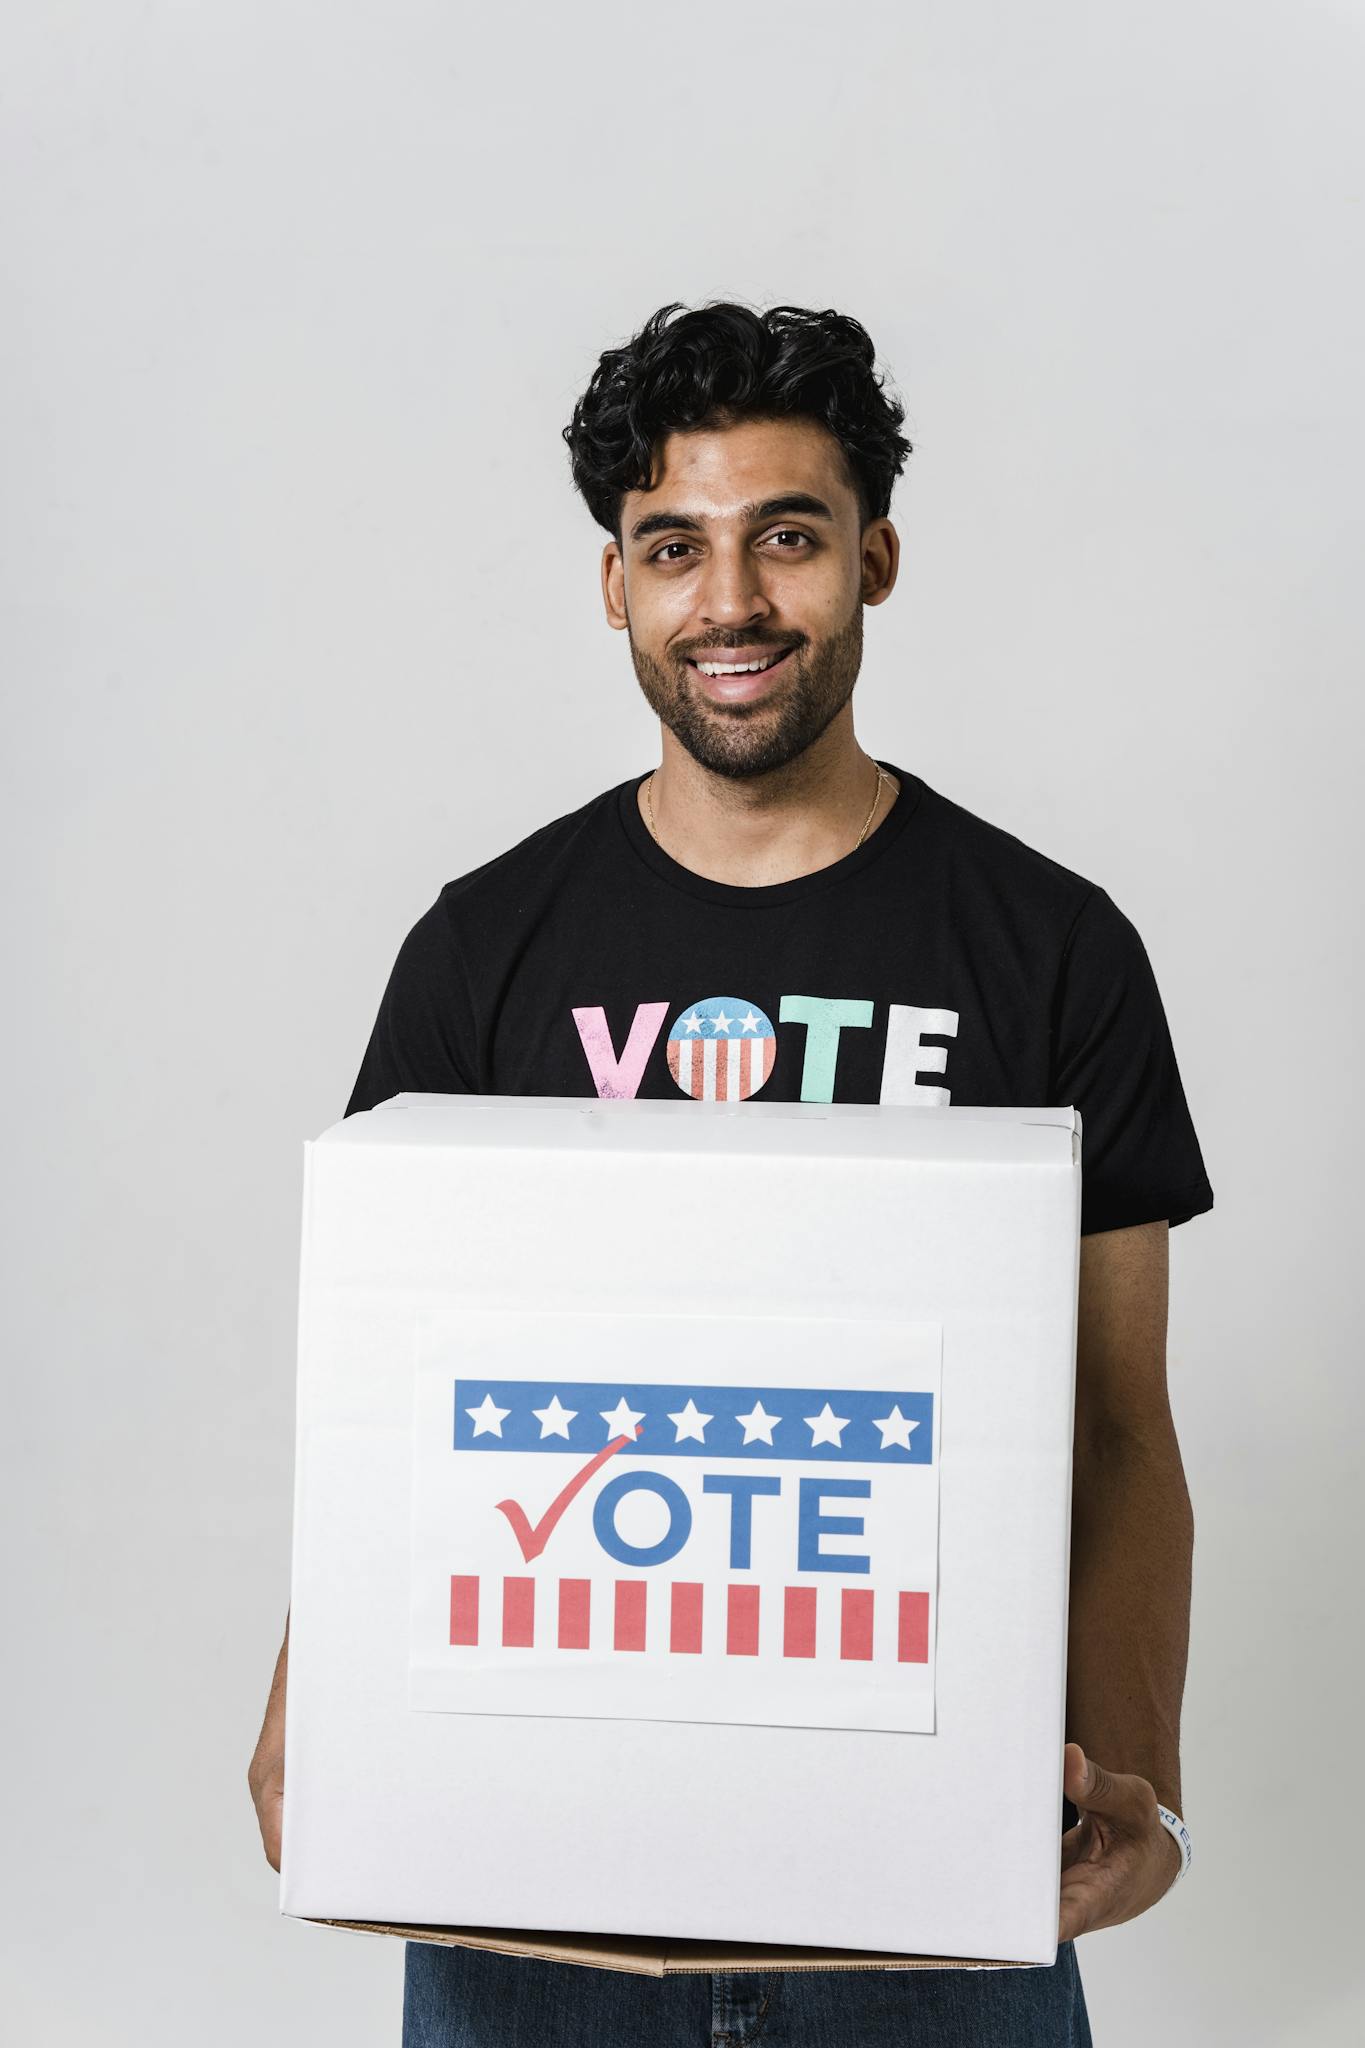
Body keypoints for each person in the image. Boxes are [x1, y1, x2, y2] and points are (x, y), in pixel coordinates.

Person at [249, 298, 1213, 2046]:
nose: (731, 602)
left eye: (787, 536)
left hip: (929, 1872)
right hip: (530, 1892)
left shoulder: (1050, 948)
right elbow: (404, 1404)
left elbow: (1117, 1426)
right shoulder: (485, 948)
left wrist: (1138, 1775)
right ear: (614, 584)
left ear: (875, 558)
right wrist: (307, 1698)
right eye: (672, 547)